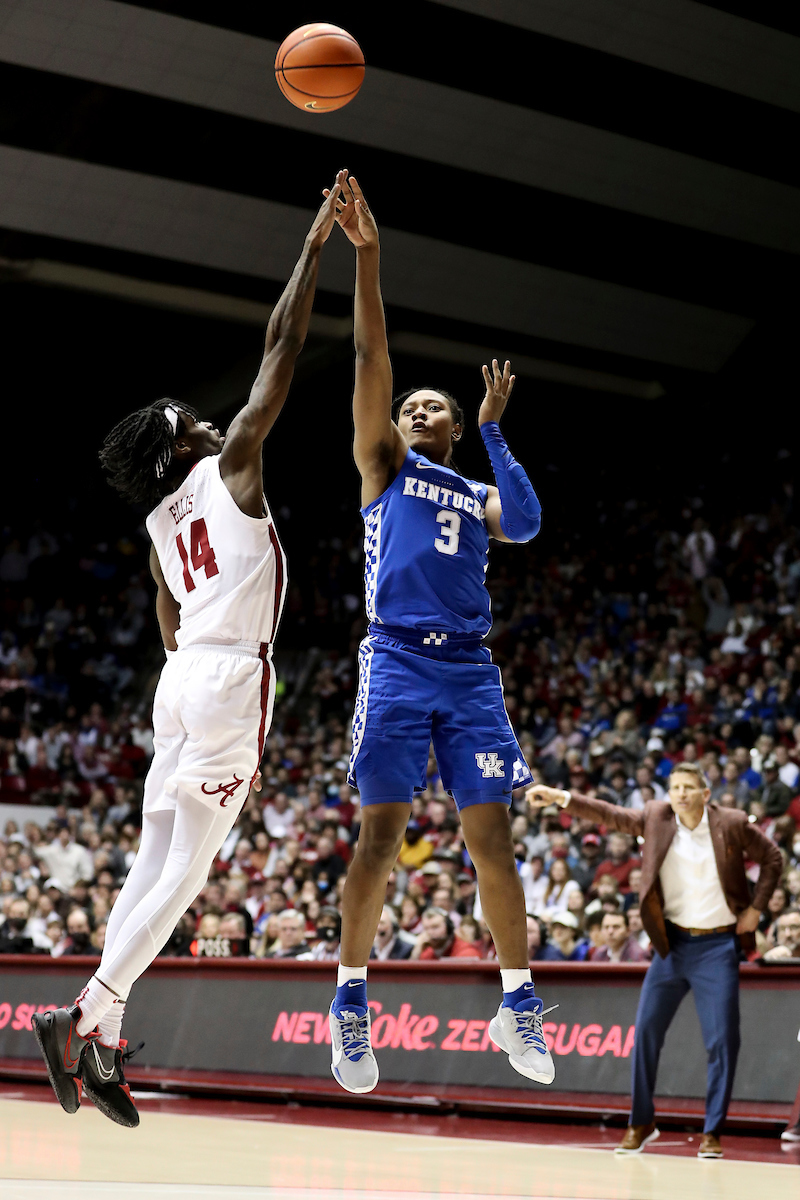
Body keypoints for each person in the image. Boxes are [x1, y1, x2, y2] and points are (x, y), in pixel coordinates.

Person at [31, 174, 346, 1129]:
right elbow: (281, 346)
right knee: (186, 873)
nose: (213, 417)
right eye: (195, 418)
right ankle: (82, 1013)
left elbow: (167, 615)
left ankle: (103, 1027)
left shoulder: (162, 519)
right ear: (185, 443)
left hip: (179, 678)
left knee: (150, 861)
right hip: (225, 676)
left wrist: (192, 667)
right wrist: (314, 247)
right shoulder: (231, 465)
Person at [324, 175, 551, 1096]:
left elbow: (528, 523)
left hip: (470, 675)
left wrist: (497, 435)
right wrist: (369, 255)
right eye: (408, 405)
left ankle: (518, 1002)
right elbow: (373, 353)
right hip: (396, 663)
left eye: (433, 408)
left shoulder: (473, 487)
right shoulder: (382, 463)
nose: (416, 411)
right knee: (380, 837)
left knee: (491, 840)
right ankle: (349, 1001)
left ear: (455, 425)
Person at [528, 763, 782, 1159]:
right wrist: (561, 798)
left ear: (706, 794)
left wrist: (755, 911)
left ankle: (712, 1131)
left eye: (689, 788)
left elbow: (773, 858)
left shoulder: (730, 823)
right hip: (671, 945)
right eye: (674, 787)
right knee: (645, 1033)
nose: (680, 794)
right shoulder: (657, 818)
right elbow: (610, 814)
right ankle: (641, 1122)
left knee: (722, 1042)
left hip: (717, 947)